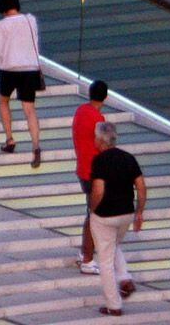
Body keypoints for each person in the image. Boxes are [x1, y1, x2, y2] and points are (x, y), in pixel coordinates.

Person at [88, 120, 145, 316]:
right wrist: (139, 212)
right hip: (126, 213)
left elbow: (98, 190)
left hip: (105, 215)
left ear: (100, 140)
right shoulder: (128, 158)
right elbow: (141, 186)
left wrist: (92, 210)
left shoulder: (99, 161)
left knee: (104, 259)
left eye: (95, 137)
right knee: (112, 245)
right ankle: (124, 278)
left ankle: (114, 305)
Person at [0, 0, 44, 167]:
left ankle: (10, 139)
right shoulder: (30, 20)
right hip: (29, 69)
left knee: (3, 101)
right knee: (30, 109)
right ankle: (36, 146)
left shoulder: (1, 25)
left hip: (8, 69)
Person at [72, 79, 111, 274]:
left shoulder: (81, 111)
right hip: (94, 173)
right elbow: (104, 147)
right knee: (94, 216)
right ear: (105, 97)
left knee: (91, 213)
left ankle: (84, 253)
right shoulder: (99, 120)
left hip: (82, 169)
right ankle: (87, 260)